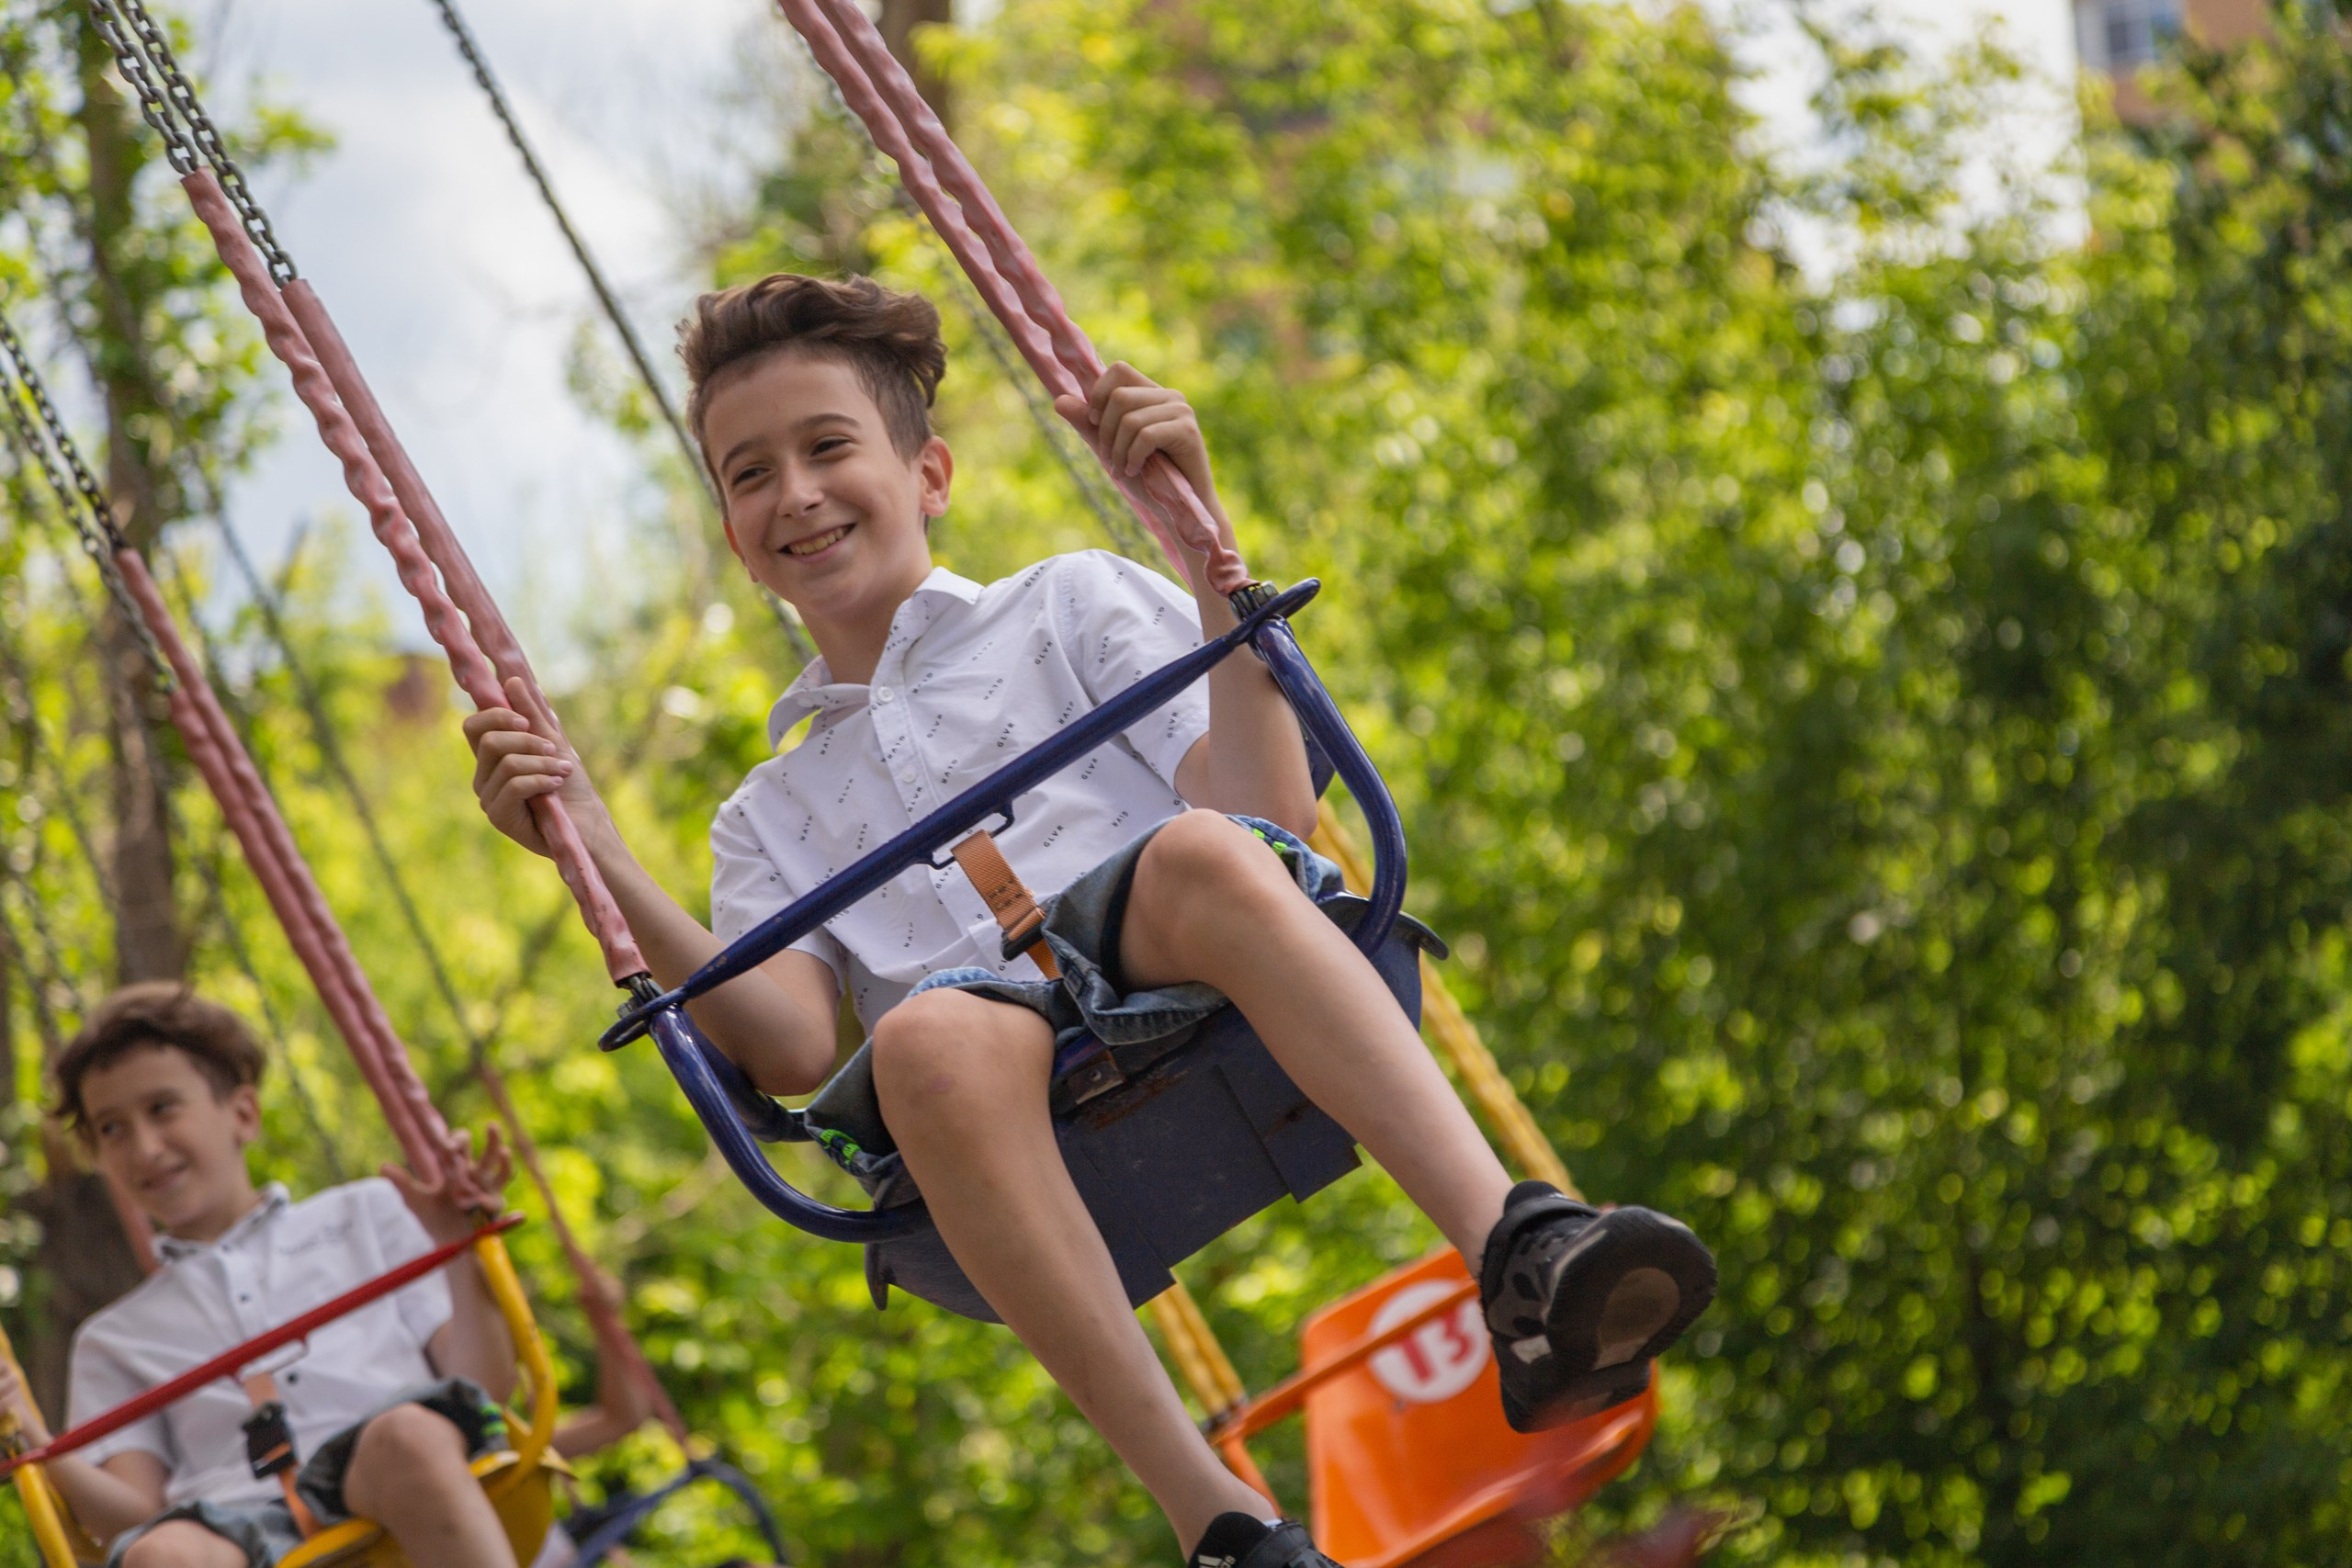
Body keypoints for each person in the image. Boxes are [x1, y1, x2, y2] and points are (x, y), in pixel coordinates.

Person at [463, 273, 1718, 1568]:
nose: (795, 492)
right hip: (980, 1087)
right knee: (925, 1040)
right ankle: (1223, 1523)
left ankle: (1519, 1248)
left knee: (1205, 853)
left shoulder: (1065, 605)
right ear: (733, 531)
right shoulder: (766, 814)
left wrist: (1201, 550)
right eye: (749, 473)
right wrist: (603, 859)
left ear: (929, 470)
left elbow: (1267, 811)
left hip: (1179, 955)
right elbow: (786, 1047)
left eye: (828, 446)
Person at [0, 983, 525, 1568]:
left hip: (397, 1474)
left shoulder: (368, 1216)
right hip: (238, 1530)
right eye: (111, 1128)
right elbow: (134, 1515)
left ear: (242, 1113)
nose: (144, 1148)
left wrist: (459, 1252)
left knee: (409, 1435)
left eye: (162, 1108)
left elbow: (485, 1387)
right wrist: (35, 1439)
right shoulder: (113, 1338)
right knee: (161, 1552)